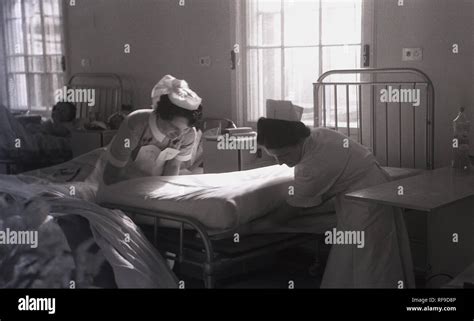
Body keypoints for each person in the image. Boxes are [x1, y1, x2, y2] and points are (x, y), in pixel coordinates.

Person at [255, 117, 415, 288]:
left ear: (298, 141)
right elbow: (315, 195)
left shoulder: (313, 164)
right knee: (356, 258)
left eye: (284, 155)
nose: (280, 163)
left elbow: (294, 207)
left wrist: (262, 225)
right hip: (368, 188)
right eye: (274, 158)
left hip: (368, 199)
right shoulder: (318, 134)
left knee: (370, 259)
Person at [102, 75, 203, 185]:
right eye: (174, 127)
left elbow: (173, 167)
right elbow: (112, 174)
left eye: (184, 129)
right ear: (159, 115)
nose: (179, 134)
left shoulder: (189, 134)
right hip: (119, 176)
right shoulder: (136, 123)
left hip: (153, 183)